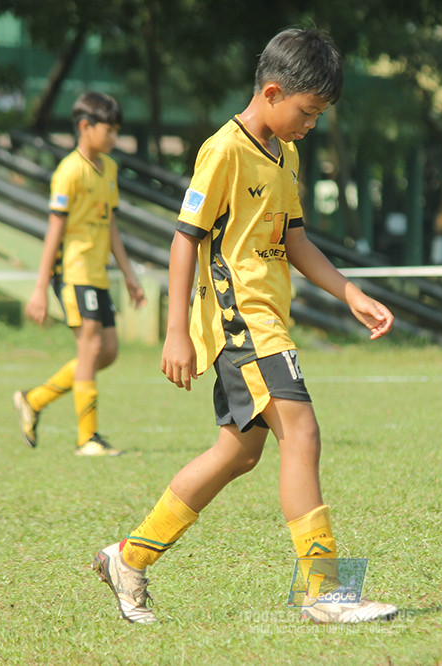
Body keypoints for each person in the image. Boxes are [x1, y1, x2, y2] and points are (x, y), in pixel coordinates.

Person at [92, 28, 399, 624]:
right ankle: (325, 594)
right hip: (243, 325)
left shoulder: (286, 154)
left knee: (237, 455)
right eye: (306, 112)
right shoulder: (223, 150)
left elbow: (295, 239)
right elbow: (185, 240)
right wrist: (177, 329)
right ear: (273, 90)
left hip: (268, 319)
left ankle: (128, 557)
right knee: (303, 435)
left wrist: (349, 291)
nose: (310, 125)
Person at [13, 91, 145, 457]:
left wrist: (129, 275)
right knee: (89, 346)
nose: (114, 137)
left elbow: (111, 225)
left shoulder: (110, 169)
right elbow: (54, 230)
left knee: (108, 352)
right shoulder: (68, 171)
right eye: (109, 130)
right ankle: (87, 438)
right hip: (72, 272)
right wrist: (40, 288)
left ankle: (34, 399)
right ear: (85, 127)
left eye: (117, 131)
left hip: (98, 274)